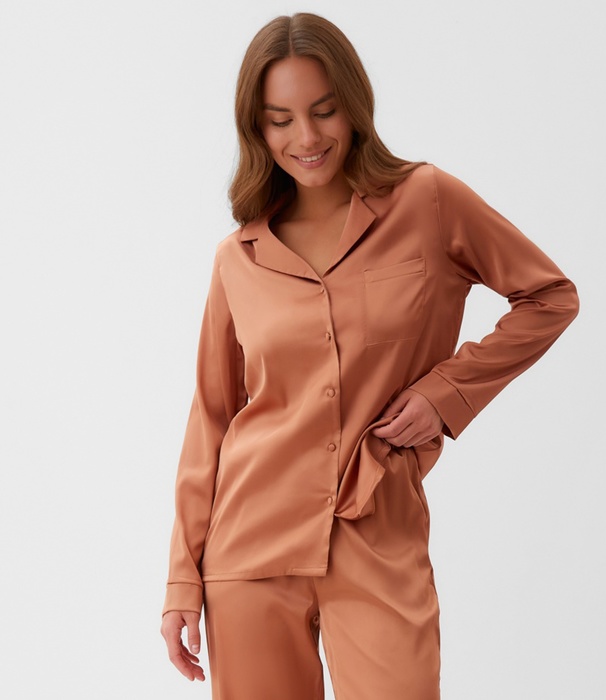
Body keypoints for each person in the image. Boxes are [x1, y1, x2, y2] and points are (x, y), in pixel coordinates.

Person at [160, 11, 579, 700]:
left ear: (354, 103)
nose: (306, 137)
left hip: (378, 537)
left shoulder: (428, 200)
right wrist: (182, 577)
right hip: (247, 549)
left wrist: (445, 395)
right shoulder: (238, 257)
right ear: (257, 130)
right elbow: (212, 418)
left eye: (323, 110)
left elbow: (548, 297)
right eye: (280, 120)